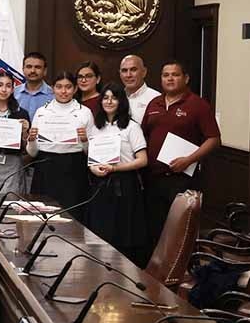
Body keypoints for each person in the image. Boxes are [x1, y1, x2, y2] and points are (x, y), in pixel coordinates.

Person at [141, 60, 220, 247]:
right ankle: (156, 272)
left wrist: (188, 160)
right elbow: (144, 135)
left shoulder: (198, 105)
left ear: (186, 78)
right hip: (153, 178)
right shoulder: (154, 103)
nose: (170, 78)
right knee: (155, 228)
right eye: (165, 75)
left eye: (175, 74)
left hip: (182, 178)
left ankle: (182, 272)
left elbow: (214, 139)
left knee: (180, 230)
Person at [84, 82, 149, 267]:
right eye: (105, 97)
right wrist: (93, 168)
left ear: (122, 101)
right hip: (100, 185)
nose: (109, 101)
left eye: (114, 97)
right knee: (100, 232)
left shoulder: (131, 127)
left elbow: (142, 160)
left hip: (125, 185)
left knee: (123, 233)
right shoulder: (96, 127)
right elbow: (91, 157)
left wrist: (115, 168)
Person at [26, 71, 94, 220]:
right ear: (52, 88)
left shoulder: (85, 113)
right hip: (45, 168)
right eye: (59, 87)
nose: (63, 91)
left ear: (75, 89)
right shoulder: (42, 112)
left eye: (68, 87)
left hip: (73, 169)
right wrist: (31, 140)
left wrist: (84, 141)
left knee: (71, 216)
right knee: (41, 215)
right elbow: (32, 153)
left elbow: (91, 153)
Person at [119, 55, 161, 123]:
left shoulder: (157, 99)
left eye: (133, 70)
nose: (128, 75)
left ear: (144, 72)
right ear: (120, 74)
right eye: (124, 71)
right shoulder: (114, 98)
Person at [14, 52, 54, 120]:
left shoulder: (53, 95)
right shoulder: (13, 93)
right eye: (29, 67)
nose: (33, 71)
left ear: (45, 71)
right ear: (23, 69)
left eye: (37, 67)